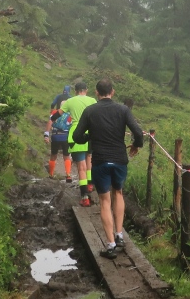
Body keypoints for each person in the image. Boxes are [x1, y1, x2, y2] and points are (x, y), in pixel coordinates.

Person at [72, 78, 143, 259]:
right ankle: (119, 235)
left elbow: (77, 136)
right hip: (119, 159)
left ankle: (110, 246)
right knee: (118, 193)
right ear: (112, 92)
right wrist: (136, 145)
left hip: (100, 160)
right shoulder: (123, 110)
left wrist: (90, 136)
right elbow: (138, 132)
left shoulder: (90, 111)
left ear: (96, 93)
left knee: (104, 201)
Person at [53, 81, 96, 206]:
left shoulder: (70, 101)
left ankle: (85, 197)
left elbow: (58, 114)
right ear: (86, 90)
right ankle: (90, 184)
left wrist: (52, 119)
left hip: (76, 133)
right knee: (89, 158)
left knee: (81, 167)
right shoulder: (92, 100)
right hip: (91, 133)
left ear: (76, 91)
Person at [44, 86, 73, 181]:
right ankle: (68, 174)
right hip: (65, 137)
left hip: (55, 136)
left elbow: (50, 122)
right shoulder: (70, 115)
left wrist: (46, 135)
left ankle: (51, 174)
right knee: (66, 156)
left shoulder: (55, 113)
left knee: (53, 155)